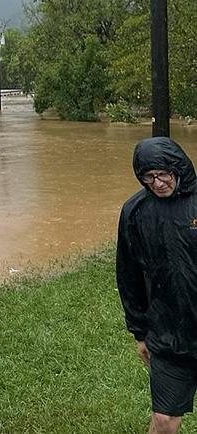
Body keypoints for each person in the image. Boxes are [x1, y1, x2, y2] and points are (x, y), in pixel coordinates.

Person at [117, 137, 197, 434]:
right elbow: (129, 276)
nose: (158, 182)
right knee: (164, 420)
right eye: (149, 176)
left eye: (164, 173)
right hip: (168, 336)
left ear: (179, 168)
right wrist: (139, 332)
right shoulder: (135, 212)